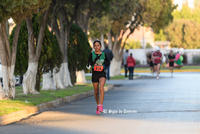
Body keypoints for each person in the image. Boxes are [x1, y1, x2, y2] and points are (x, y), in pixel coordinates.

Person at [87, 40, 110, 114]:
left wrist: (104, 63)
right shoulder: (92, 54)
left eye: (98, 45)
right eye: (95, 45)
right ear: (93, 46)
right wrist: (94, 60)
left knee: (101, 88)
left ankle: (101, 105)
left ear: (100, 46)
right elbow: (88, 64)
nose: (96, 47)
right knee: (96, 92)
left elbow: (108, 62)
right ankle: (97, 104)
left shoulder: (104, 54)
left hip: (102, 73)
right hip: (95, 74)